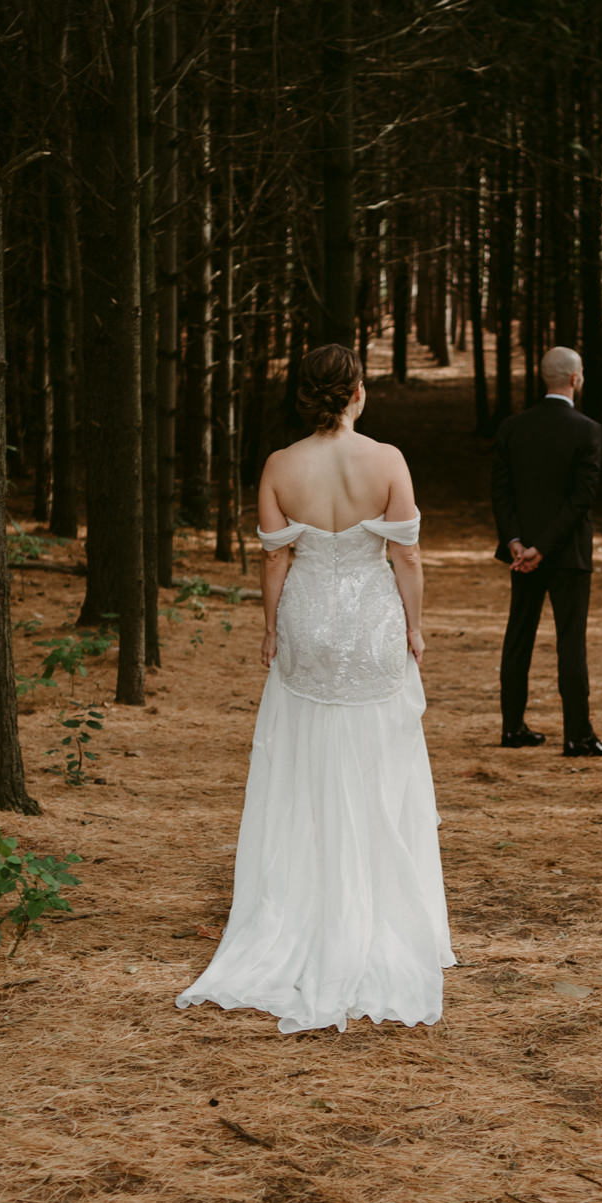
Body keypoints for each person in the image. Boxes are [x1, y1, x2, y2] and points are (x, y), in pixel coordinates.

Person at [176, 344, 453, 1034]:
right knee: (379, 762)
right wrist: (416, 629)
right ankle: (381, 908)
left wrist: (271, 630)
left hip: (307, 623)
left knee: (302, 761)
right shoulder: (387, 460)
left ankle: (302, 907)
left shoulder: (279, 465)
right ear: (357, 392)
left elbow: (276, 559)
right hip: (370, 627)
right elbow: (407, 554)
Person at [491, 346, 602, 757]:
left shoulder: (513, 427)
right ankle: (577, 735)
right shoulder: (588, 430)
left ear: (544, 377)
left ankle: (512, 728)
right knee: (570, 643)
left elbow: (501, 491)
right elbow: (582, 500)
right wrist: (543, 548)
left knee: (518, 637)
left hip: (521, 554)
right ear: (575, 379)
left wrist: (517, 543)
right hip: (568, 557)